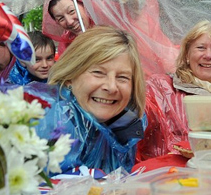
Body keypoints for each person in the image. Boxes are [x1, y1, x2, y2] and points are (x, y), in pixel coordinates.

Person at [35, 26, 147, 174]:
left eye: (122, 77)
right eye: (98, 72)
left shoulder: (126, 124)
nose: (111, 87)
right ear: (69, 77)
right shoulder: (46, 120)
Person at [138, 20, 211, 161]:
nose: (208, 55)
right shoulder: (161, 88)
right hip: (170, 170)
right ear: (187, 55)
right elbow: (136, 117)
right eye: (201, 48)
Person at [42, 0, 178, 76]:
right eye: (60, 18)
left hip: (160, 75)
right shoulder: (68, 45)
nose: (69, 21)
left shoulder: (109, 14)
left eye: (72, 11)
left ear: (84, 5)